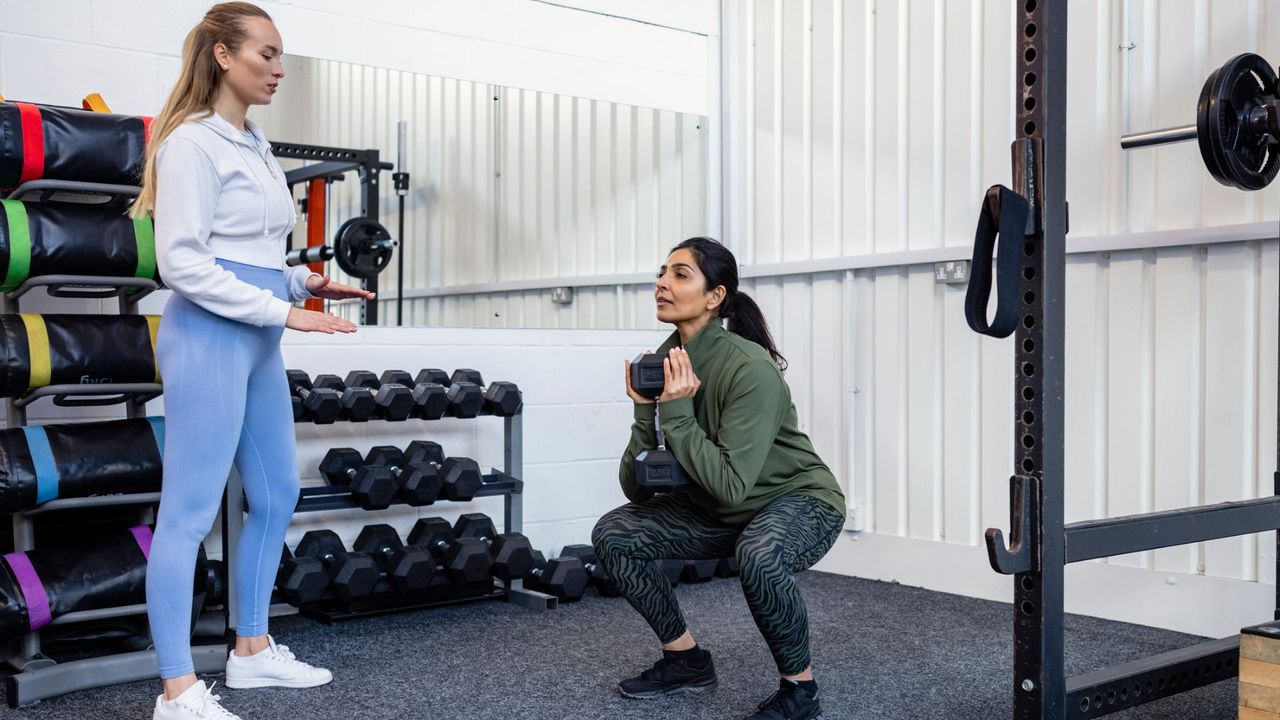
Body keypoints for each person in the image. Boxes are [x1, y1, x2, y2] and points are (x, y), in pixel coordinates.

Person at [131, 4, 371, 718]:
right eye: (264, 54)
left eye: (280, 55)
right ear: (223, 56)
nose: (278, 67)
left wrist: (301, 281)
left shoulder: (255, 144)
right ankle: (176, 691)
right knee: (188, 513)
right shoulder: (191, 145)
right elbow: (182, 264)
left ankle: (252, 651)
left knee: (276, 496)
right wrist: (283, 309)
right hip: (208, 338)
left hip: (256, 337)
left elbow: (252, 252)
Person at [593, 237, 846, 720]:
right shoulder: (665, 362)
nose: (662, 283)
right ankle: (685, 660)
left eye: (680, 274)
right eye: (662, 273)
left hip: (798, 501)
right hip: (723, 509)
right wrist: (645, 412)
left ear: (715, 297)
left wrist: (678, 411)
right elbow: (636, 487)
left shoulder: (749, 367)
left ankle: (800, 692)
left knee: (760, 553)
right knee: (614, 534)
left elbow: (732, 484)